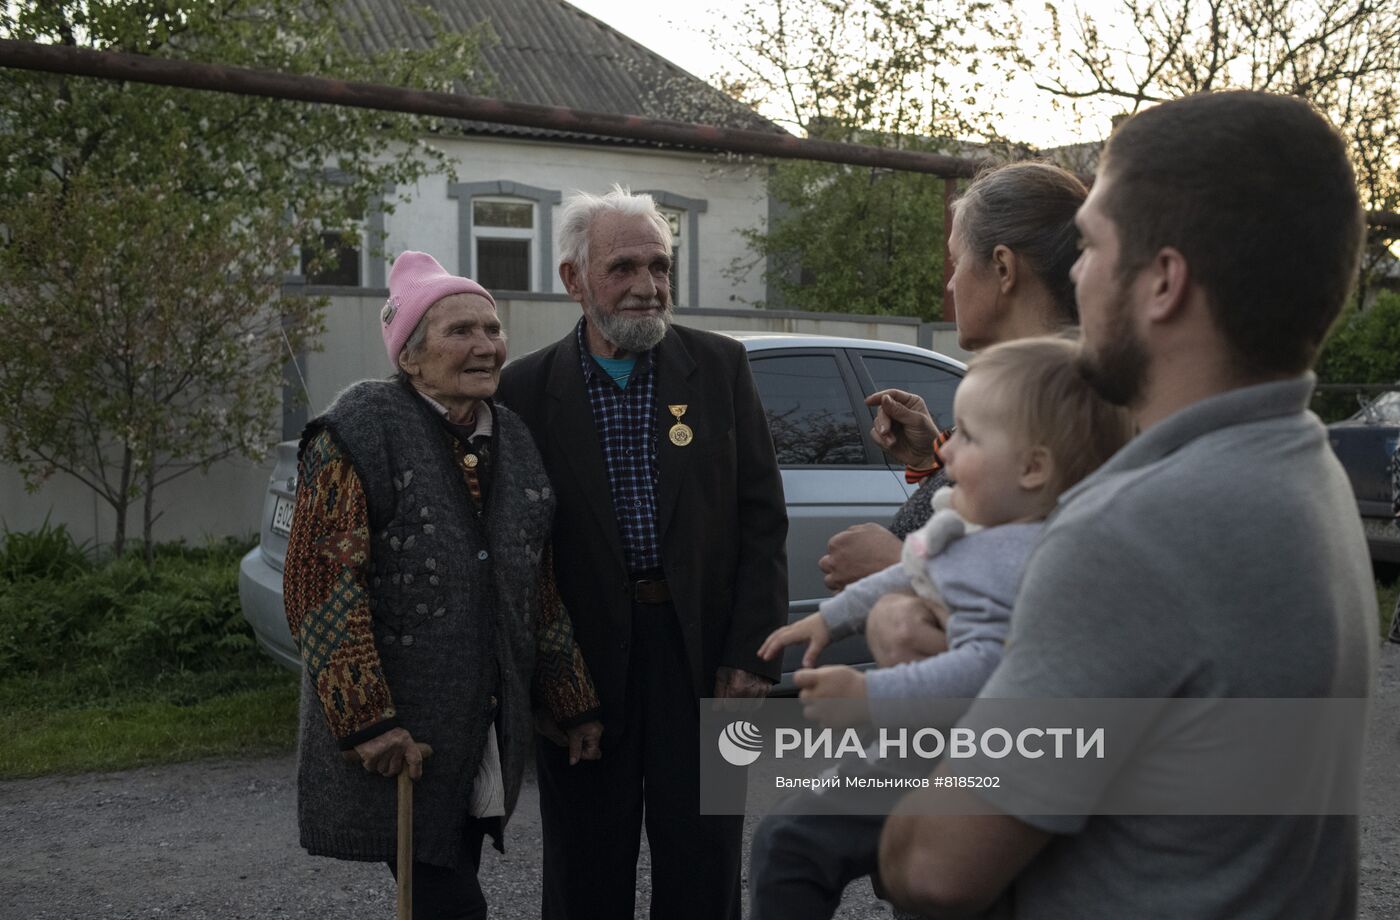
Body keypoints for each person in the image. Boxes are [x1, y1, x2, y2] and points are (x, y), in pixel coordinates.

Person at [879, 90, 1376, 919]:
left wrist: (919, 686)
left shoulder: (1134, 531)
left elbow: (933, 866)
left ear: (1162, 282)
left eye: (1094, 245)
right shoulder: (1306, 465)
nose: (1074, 272)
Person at [748, 337, 1133, 919]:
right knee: (788, 837)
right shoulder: (972, 527)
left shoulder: (1030, 558)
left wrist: (870, 694)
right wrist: (828, 618)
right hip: (936, 742)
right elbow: (907, 574)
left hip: (961, 753)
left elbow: (984, 664)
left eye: (969, 439)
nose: (946, 455)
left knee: (793, 842)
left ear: (1033, 468)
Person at [495, 185, 788, 919]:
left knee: (707, 863)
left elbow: (761, 519)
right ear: (573, 279)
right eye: (623, 267)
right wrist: (547, 686)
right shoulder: (524, 392)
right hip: (585, 668)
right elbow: (513, 551)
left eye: (659, 266)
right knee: (584, 868)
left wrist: (754, 653)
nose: (647, 287)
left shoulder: (719, 369)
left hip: (707, 661)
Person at [283, 251, 603, 920]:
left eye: (491, 329)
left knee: (452, 867)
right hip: (405, 728)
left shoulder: (512, 437)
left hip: (485, 715)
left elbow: (536, 586)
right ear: (410, 357)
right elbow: (321, 585)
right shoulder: (362, 428)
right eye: (461, 332)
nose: (486, 346)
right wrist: (367, 719)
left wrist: (571, 701)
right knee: (446, 894)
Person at [816, 163, 1088, 660]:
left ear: (1003, 268)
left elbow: (1062, 600)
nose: (949, 285)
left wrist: (898, 566)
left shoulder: (1076, 401)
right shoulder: (1025, 389)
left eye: (957, 262)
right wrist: (931, 457)